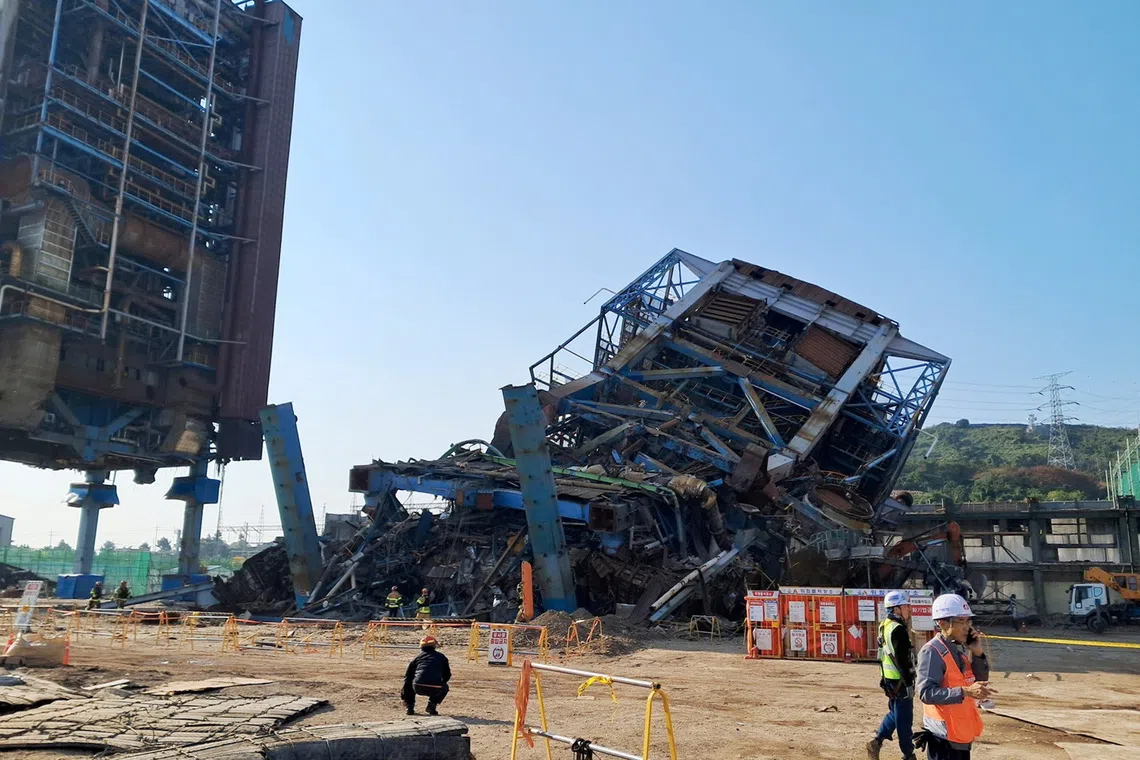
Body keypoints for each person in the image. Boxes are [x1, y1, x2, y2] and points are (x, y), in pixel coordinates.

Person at [914, 594, 996, 760]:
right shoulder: (932, 652)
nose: (966, 627)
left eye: (968, 621)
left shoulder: (959, 651)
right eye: (961, 621)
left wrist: (977, 653)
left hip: (960, 733)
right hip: (943, 739)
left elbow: (977, 680)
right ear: (942, 623)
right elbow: (925, 693)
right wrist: (964, 691)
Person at [867, 590, 917, 760]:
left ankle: (876, 741)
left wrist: (883, 678)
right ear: (896, 609)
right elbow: (903, 660)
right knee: (904, 721)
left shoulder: (885, 624)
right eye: (905, 606)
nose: (908, 609)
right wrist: (909, 683)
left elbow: (882, 654)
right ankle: (908, 755)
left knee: (895, 713)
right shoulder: (898, 630)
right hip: (900, 681)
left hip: (890, 679)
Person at [401, 635, 451, 716]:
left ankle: (409, 708)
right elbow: (447, 675)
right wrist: (440, 683)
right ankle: (432, 706)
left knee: (409, 682)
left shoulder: (417, 658)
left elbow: (408, 676)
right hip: (436, 688)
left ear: (421, 646)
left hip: (418, 686)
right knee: (445, 687)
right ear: (435, 645)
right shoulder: (442, 657)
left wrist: (404, 696)